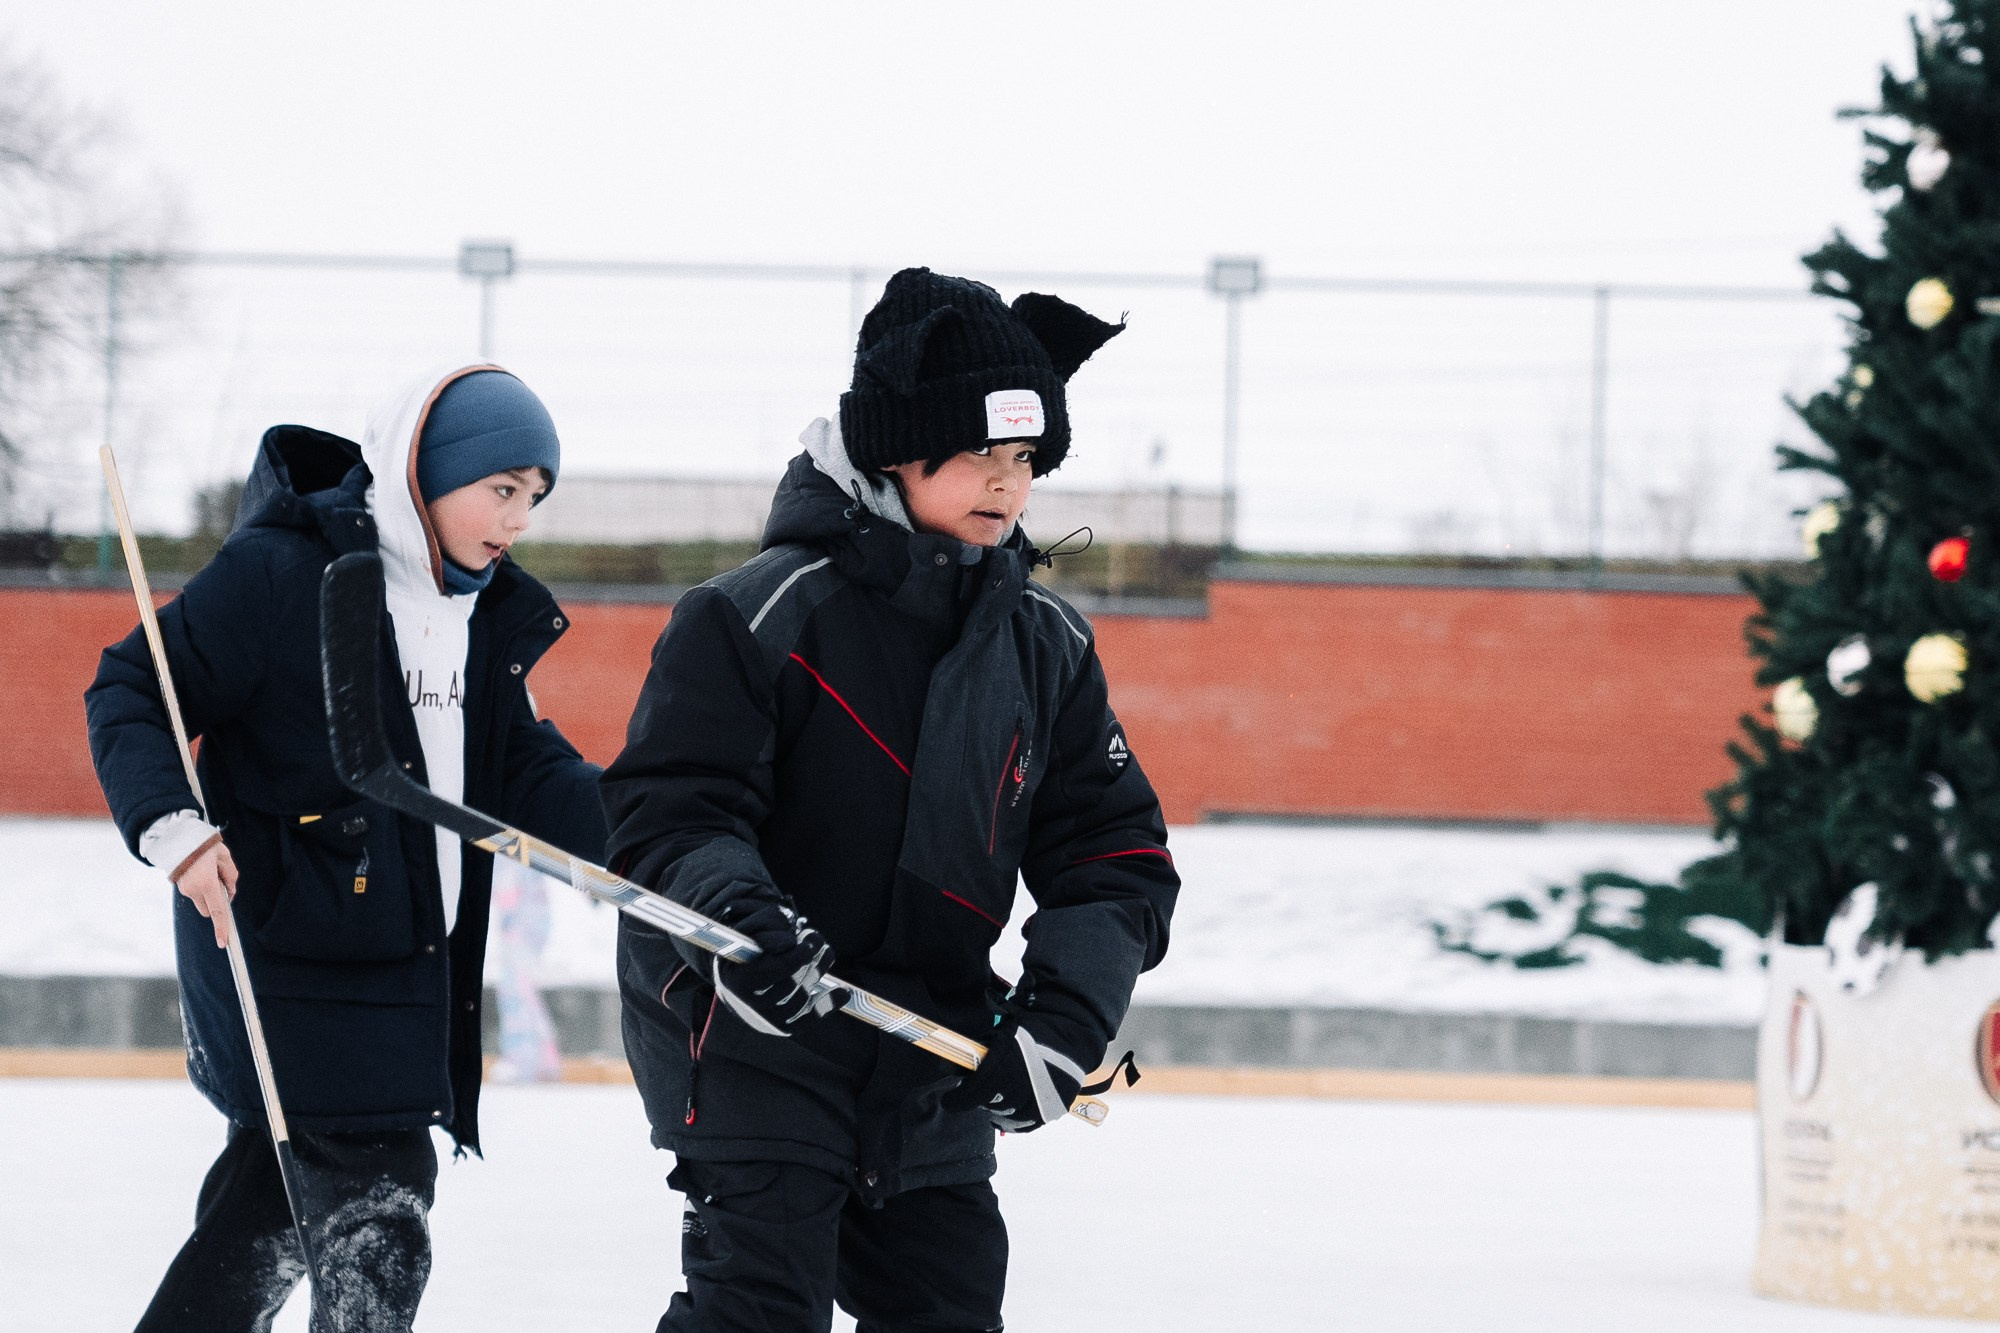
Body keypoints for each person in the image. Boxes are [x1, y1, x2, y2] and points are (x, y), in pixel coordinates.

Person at [603, 268, 1181, 1331]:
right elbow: (669, 815)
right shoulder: (754, 617)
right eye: (974, 455)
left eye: (1024, 460)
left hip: (930, 1054)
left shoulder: (1043, 645)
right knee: (758, 1308)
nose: (1006, 485)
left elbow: (1112, 855)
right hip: (755, 1036)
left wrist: (1063, 1020)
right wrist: (737, 927)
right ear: (889, 452)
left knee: (947, 1306)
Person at [85, 364, 607, 1332]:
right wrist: (174, 829)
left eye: (533, 497)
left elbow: (522, 772)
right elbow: (129, 691)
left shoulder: (483, 616)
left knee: (264, 1213)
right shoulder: (286, 575)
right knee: (379, 1206)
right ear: (423, 471)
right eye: (500, 489)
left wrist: (652, 834)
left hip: (408, 964)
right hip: (289, 950)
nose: (518, 519)